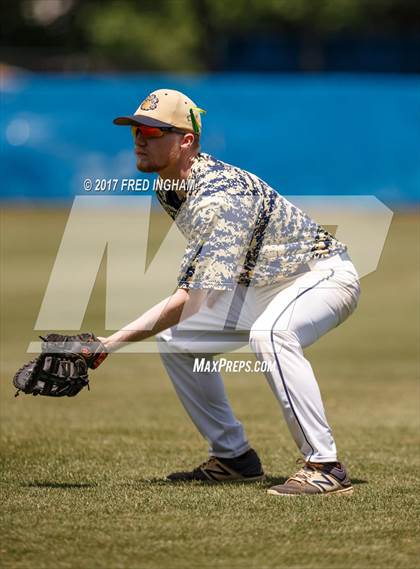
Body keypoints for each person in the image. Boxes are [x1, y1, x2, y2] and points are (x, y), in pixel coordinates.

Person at [100, 88, 361, 496]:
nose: (139, 139)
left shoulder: (218, 196)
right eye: (136, 129)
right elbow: (210, 283)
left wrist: (106, 345)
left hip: (321, 276)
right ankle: (234, 457)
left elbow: (193, 296)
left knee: (271, 334)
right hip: (263, 286)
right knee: (178, 339)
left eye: (153, 132)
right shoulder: (169, 186)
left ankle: (324, 465)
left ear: (186, 140)